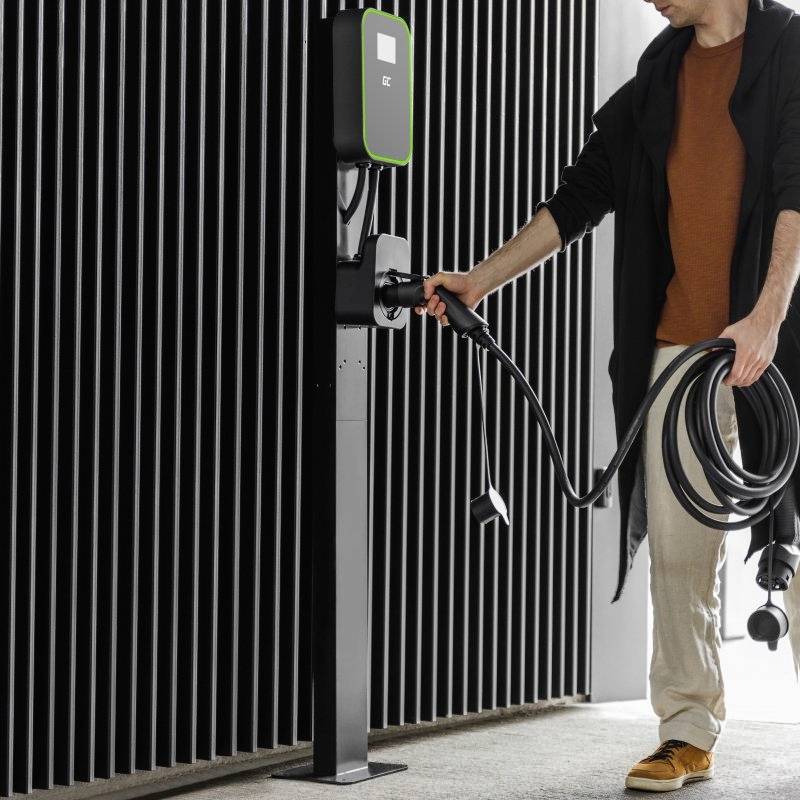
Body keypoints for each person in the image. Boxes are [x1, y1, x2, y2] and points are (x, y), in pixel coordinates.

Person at [417, 0, 800, 792]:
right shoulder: (658, 75)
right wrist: (479, 282)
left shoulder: (791, 49)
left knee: (791, 549)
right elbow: (579, 196)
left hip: (776, 342)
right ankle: (686, 732)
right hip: (676, 352)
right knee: (680, 551)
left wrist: (765, 319)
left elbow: (799, 191)